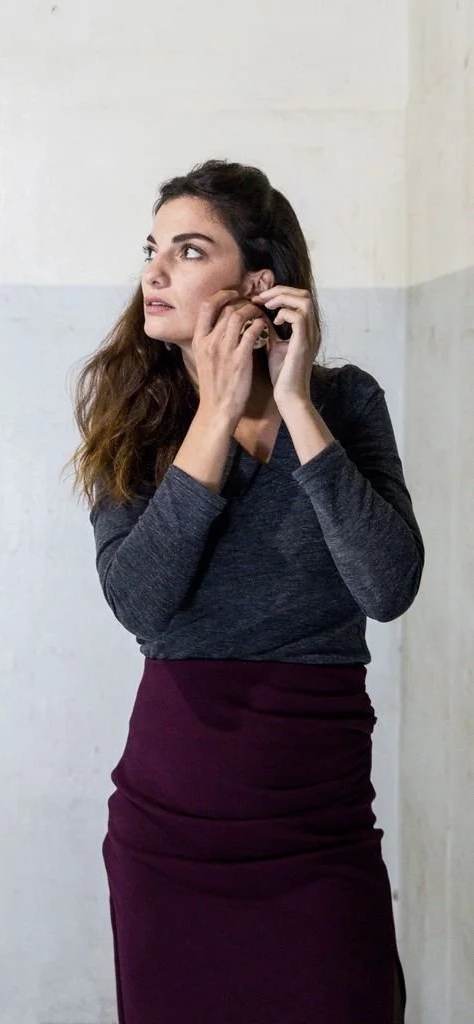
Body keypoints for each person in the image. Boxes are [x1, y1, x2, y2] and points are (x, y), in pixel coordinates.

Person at [67, 159, 422, 1024]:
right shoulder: (132, 417)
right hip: (171, 831)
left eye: (188, 251)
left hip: (318, 826)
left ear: (259, 283)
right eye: (152, 249)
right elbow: (141, 603)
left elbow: (386, 586)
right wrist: (214, 416)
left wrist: (294, 402)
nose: (154, 272)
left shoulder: (345, 402)